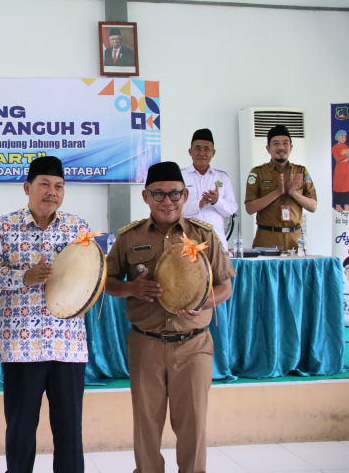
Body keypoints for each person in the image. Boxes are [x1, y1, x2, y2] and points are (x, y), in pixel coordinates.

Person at [105, 161, 235, 473]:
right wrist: (131, 289)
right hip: (146, 344)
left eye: (175, 194)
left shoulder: (205, 237)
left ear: (185, 195)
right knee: (146, 428)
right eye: (159, 195)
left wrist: (202, 302)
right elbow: (106, 283)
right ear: (146, 197)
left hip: (193, 345)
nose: (168, 201)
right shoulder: (129, 238)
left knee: (192, 427)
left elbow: (225, 286)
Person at [0, 156, 92, 473]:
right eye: (44, 184)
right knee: (20, 431)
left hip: (67, 345)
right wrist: (24, 277)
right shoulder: (3, 227)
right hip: (21, 346)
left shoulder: (79, 229)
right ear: (27, 187)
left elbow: (92, 275)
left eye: (58, 186)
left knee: (70, 433)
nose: (52, 192)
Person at [244, 125, 317, 251]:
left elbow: (313, 206)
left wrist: (294, 193)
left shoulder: (301, 171)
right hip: (267, 238)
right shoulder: (258, 173)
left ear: (291, 147)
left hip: (295, 239)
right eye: (276, 143)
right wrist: (277, 192)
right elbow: (250, 208)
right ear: (268, 148)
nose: (281, 147)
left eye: (285, 143)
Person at [181, 128, 237, 253]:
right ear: (190, 152)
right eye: (198, 148)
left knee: (218, 273)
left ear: (213, 153)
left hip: (216, 240)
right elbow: (175, 208)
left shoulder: (222, 177)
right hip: (188, 241)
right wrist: (199, 204)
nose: (202, 153)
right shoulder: (180, 176)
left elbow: (231, 209)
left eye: (207, 149)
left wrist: (217, 201)